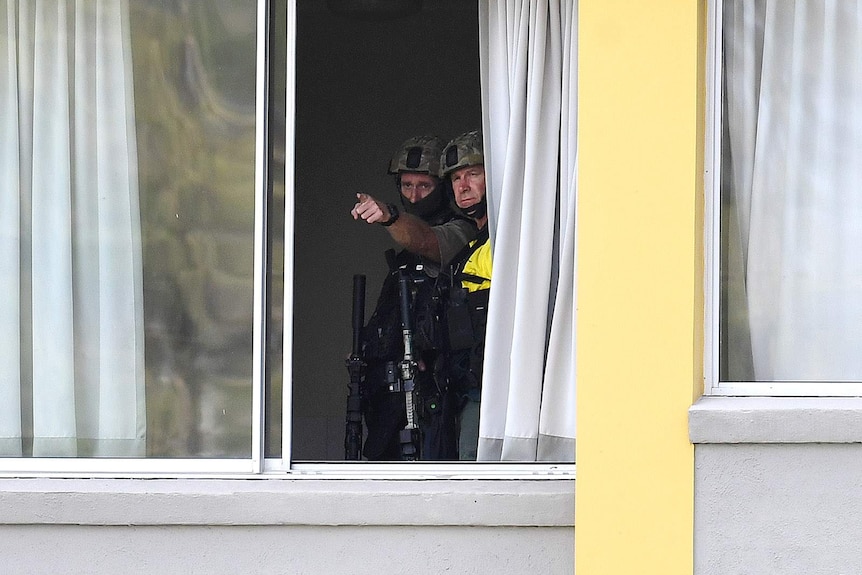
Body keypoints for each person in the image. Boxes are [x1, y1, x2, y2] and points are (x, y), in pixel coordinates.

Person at [352, 136, 477, 460]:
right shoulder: (405, 252)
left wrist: (389, 217)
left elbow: (427, 241)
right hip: (389, 387)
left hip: (430, 389)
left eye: (424, 186)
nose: (414, 195)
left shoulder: (461, 229)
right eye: (407, 185)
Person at [437, 130, 491, 461]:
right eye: (456, 178)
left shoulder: (513, 237)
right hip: (463, 386)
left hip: (495, 392)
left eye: (473, 173)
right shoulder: (473, 246)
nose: (463, 186)